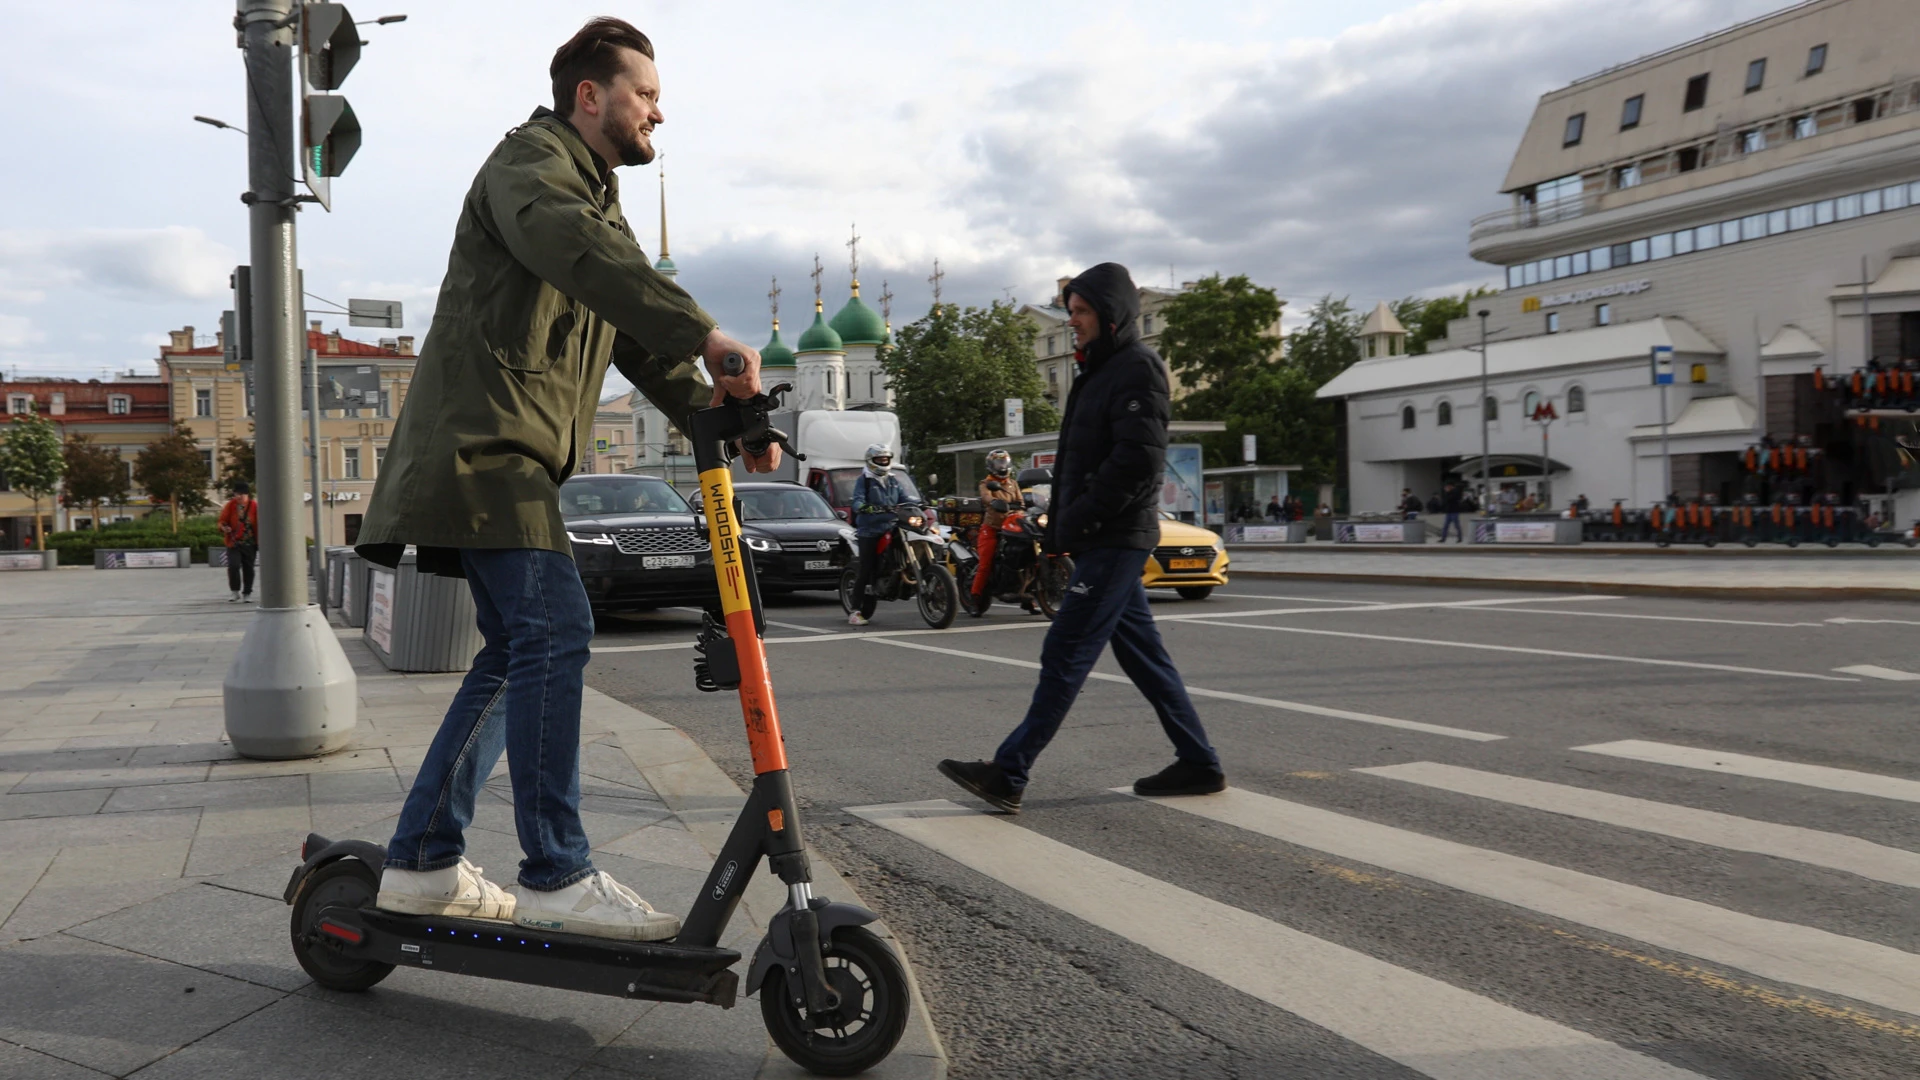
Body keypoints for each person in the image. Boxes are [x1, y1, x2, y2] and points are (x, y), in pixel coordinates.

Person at [354, 17, 775, 942]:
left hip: (509, 458)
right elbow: (582, 254)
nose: (660, 113)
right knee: (553, 630)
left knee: (521, 648)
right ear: (592, 96)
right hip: (483, 452)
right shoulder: (531, 172)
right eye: (646, 95)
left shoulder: (592, 200)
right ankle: (554, 871)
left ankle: (422, 858)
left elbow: (630, 327)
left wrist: (722, 414)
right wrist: (705, 330)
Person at [938, 263, 1225, 813]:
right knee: (1146, 659)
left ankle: (1008, 772)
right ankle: (1199, 762)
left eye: (1082, 311)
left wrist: (1079, 520)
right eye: (1069, 311)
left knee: (1065, 649)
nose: (1073, 321)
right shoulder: (1102, 369)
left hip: (1116, 538)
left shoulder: (1137, 369)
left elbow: (1136, 463)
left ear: (1112, 314)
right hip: (1104, 538)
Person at [848, 443, 910, 626]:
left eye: (885, 459)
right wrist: (865, 507)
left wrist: (918, 504)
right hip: (869, 530)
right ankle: (855, 611)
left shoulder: (893, 480)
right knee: (866, 569)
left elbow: (905, 499)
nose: (883, 462)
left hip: (891, 526)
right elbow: (857, 501)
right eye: (879, 459)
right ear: (871, 461)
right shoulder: (864, 480)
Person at [969, 448, 1023, 609]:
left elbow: (1021, 501)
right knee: (985, 563)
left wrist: (1026, 506)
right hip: (993, 527)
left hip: (1013, 526)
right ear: (991, 465)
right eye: (998, 463)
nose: (1002, 466)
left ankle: (1030, 592)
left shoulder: (1013, 483)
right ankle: (975, 597)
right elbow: (986, 497)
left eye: (1004, 462)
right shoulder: (986, 483)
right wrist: (993, 502)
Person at [218, 483, 259, 602]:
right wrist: (224, 527)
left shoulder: (254, 506)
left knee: (249, 568)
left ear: (247, 495)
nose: (238, 497)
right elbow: (222, 521)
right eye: (236, 494)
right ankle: (234, 591)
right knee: (233, 566)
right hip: (234, 542)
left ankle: (247, 592)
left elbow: (259, 524)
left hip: (250, 543)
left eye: (241, 494)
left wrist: (259, 541)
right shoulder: (230, 506)